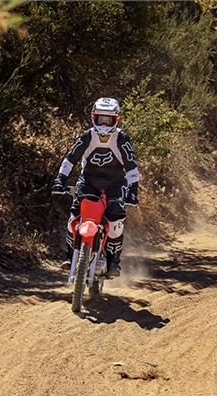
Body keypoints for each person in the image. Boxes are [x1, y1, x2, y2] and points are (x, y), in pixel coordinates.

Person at [51, 97, 139, 278]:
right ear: (93, 117)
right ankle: (69, 257)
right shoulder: (87, 136)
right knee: (74, 218)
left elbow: (131, 167)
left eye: (108, 120)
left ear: (116, 119)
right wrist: (60, 180)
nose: (104, 124)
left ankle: (114, 262)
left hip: (115, 183)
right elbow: (70, 160)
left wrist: (133, 191)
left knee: (115, 221)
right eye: (101, 119)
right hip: (89, 181)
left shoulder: (121, 138)